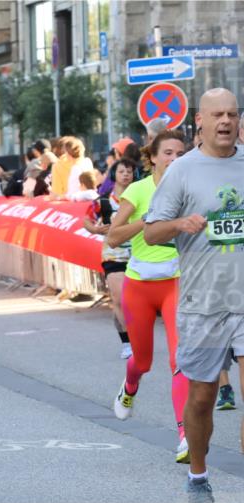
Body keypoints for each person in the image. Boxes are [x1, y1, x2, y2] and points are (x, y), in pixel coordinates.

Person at [142, 88, 244, 503]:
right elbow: (150, 233)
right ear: (199, 121)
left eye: (232, 114)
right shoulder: (181, 171)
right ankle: (198, 473)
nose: (225, 121)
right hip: (203, 304)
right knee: (202, 398)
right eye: (217, 114)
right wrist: (180, 223)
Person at [106, 130, 188, 462]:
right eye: (168, 152)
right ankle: (129, 388)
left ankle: (185, 435)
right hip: (139, 285)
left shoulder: (188, 188)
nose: (175, 159)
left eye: (181, 153)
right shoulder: (139, 190)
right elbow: (113, 237)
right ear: (153, 157)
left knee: (179, 359)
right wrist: (146, 221)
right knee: (142, 361)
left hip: (176, 282)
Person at [84, 158, 137, 359]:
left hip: (138, 254)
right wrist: (96, 229)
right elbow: (86, 220)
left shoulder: (138, 197)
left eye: (129, 171)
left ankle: (139, 336)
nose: (126, 175)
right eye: (122, 171)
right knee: (118, 299)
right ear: (114, 175)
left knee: (135, 302)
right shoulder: (103, 201)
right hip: (113, 254)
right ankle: (127, 343)